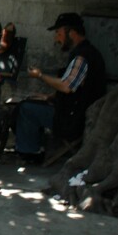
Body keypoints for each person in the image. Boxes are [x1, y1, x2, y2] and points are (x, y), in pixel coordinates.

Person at [15, 12, 106, 161]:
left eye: (59, 33)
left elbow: (67, 87)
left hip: (74, 121)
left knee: (26, 109)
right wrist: (49, 97)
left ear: (72, 32)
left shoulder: (82, 57)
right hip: (72, 114)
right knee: (30, 102)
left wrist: (40, 75)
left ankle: (31, 153)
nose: (56, 38)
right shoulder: (86, 53)